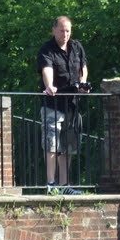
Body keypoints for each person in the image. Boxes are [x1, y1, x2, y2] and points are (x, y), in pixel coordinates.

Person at [38, 15, 89, 195]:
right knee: (52, 145)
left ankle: (64, 185)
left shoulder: (76, 47)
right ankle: (51, 184)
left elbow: (83, 68)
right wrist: (49, 85)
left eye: (68, 30)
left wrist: (83, 84)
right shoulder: (47, 49)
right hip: (53, 104)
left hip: (72, 106)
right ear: (54, 30)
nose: (65, 34)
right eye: (61, 30)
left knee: (68, 147)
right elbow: (47, 69)